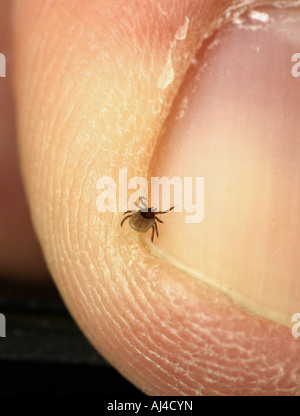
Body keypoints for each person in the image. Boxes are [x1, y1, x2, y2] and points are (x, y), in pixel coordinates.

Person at [0, 0, 299, 396]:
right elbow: (141, 218)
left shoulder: (142, 214)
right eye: (147, 211)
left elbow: (138, 217)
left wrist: (135, 222)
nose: (148, 212)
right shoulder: (146, 215)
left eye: (146, 211)